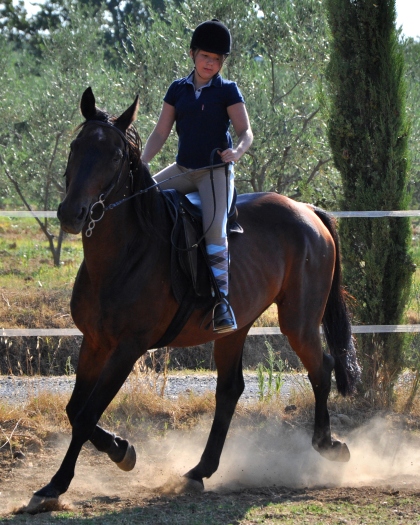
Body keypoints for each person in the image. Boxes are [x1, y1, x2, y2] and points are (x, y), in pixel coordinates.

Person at [142, 19, 253, 333]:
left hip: (214, 173)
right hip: (182, 169)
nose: (210, 63)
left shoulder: (228, 90)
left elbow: (246, 132)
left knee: (214, 230)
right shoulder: (177, 89)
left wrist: (238, 152)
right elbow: (160, 132)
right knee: (143, 195)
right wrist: (142, 163)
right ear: (192, 53)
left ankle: (223, 305)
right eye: (206, 56)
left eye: (217, 59)